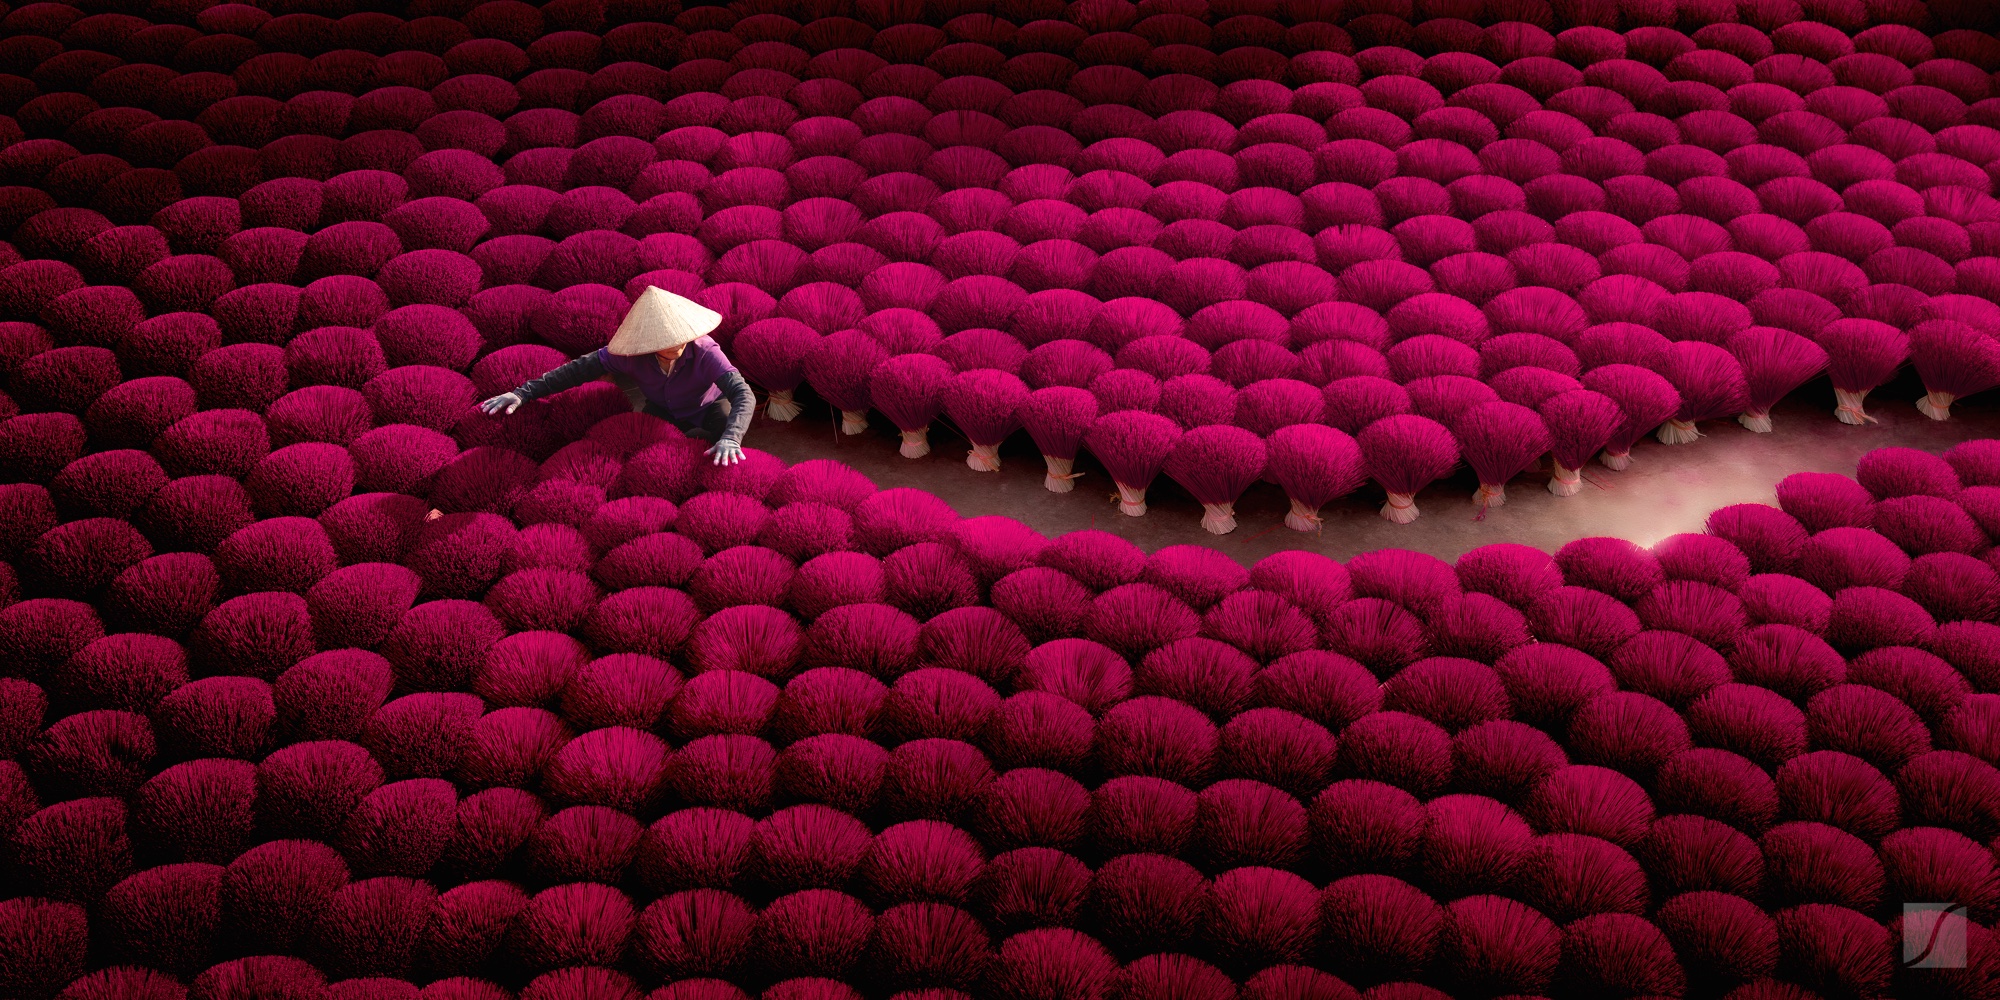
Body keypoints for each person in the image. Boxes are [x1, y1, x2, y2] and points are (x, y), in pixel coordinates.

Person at [480, 286, 755, 466]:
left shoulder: (706, 350)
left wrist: (731, 436)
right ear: (648, 341)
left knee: (723, 452)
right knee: (644, 459)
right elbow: (576, 370)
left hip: (708, 408)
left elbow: (742, 393)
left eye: (682, 337)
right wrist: (522, 393)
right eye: (667, 340)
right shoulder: (628, 354)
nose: (678, 344)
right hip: (661, 411)